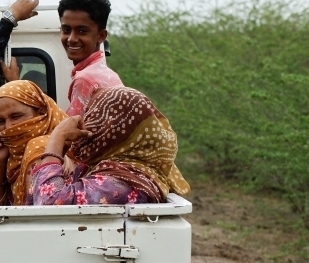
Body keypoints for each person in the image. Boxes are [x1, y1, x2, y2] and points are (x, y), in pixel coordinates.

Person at [27, 87, 190, 205]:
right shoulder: (109, 170)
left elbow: (48, 202)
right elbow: (37, 197)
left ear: (117, 131)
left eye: (95, 117)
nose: (87, 123)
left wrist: (57, 138)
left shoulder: (121, 183)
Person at [0, 80, 67, 206]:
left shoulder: (42, 147)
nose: (8, 127)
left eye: (16, 116)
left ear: (42, 112)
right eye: (0, 121)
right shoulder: (14, 156)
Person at [58, 0, 124, 116]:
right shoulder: (109, 75)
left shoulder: (85, 79)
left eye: (82, 31)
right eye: (66, 30)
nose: (71, 39)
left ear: (101, 36)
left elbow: (71, 133)